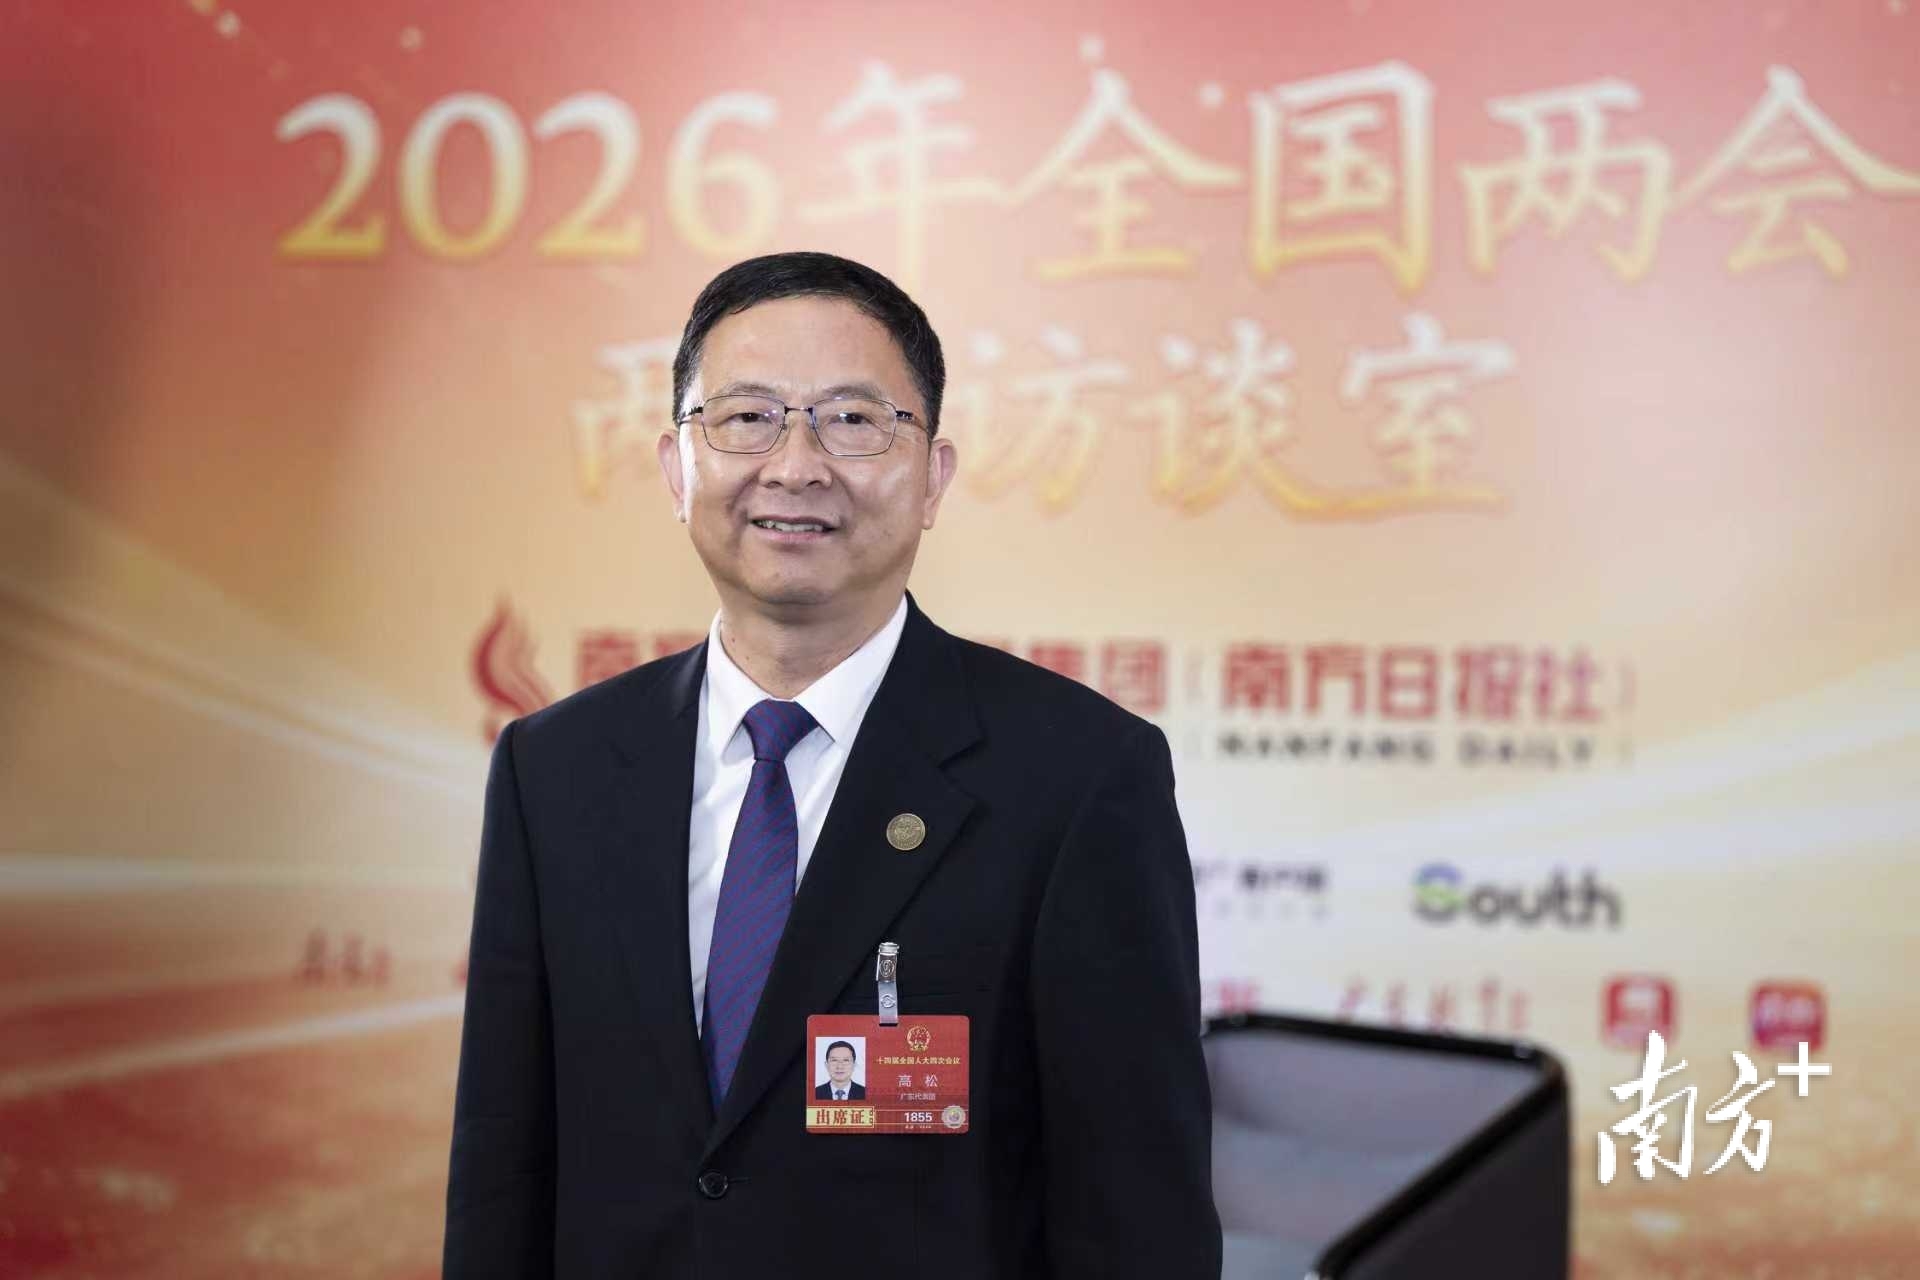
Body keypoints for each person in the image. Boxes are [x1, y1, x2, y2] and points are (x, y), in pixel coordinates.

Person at [443, 251, 1220, 1278]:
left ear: (933, 476)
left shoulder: (1078, 778)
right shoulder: (556, 768)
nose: (796, 465)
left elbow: (1138, 1214)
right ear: (677, 468)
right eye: (747, 417)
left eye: (853, 419)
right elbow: (503, 1160)